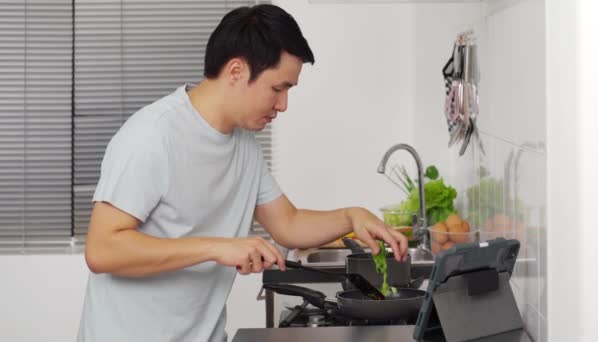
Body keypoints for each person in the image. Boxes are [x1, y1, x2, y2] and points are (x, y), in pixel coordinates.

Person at [77, 4, 408, 342]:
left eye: (288, 91)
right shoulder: (153, 135)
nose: (283, 105)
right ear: (236, 71)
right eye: (277, 89)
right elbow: (103, 249)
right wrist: (215, 247)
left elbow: (288, 224)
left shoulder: (245, 145)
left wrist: (352, 216)